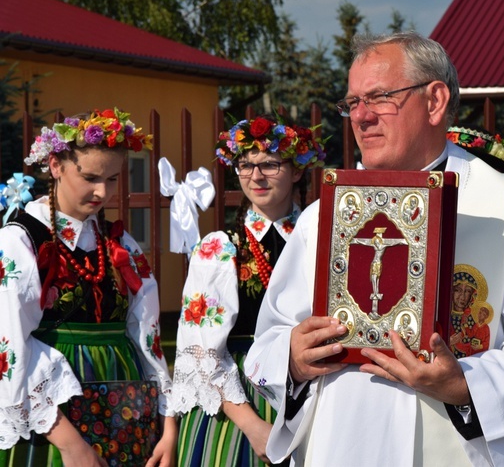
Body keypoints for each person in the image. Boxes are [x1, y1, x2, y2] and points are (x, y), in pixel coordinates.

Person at [244, 32, 504, 466]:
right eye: (352, 103)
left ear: (435, 101)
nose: (360, 117)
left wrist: (464, 385)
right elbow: (266, 342)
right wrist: (294, 359)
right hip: (343, 445)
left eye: (379, 98)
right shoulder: (322, 218)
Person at [0, 108, 177, 466]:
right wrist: (70, 444)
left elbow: (148, 338)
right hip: (53, 424)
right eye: (91, 177)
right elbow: (9, 346)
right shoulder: (21, 241)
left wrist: (168, 425)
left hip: (127, 414)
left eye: (112, 179)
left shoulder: (119, 244)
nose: (102, 191)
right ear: (55, 166)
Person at [171, 114, 326, 466]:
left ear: (298, 170)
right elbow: (201, 350)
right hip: (238, 406)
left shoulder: (321, 241)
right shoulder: (221, 248)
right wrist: (252, 426)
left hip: (311, 393)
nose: (256, 176)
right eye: (245, 165)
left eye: (270, 164)